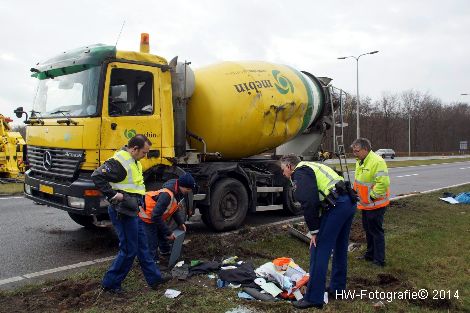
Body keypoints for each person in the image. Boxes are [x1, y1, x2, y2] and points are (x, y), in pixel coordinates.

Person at [91, 134, 170, 294]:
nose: (145, 156)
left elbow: (134, 187)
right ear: (134, 149)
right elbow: (97, 176)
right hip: (123, 212)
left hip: (132, 210)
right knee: (128, 250)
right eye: (144, 152)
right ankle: (111, 283)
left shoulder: (134, 161)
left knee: (143, 247)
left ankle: (154, 279)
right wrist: (112, 195)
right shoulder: (119, 162)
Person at [280, 154, 356, 309]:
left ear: (289, 166)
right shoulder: (311, 165)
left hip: (337, 206)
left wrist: (314, 231)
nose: (283, 174)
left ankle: (314, 298)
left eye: (283, 170)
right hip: (348, 201)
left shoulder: (299, 173)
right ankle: (338, 288)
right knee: (340, 247)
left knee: (318, 249)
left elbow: (309, 202)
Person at [139, 173, 196, 264]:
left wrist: (180, 223)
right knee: (152, 242)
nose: (188, 191)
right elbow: (155, 216)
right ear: (181, 186)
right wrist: (169, 232)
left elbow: (173, 209)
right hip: (146, 218)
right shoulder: (167, 195)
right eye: (188, 189)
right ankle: (153, 263)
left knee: (162, 235)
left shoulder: (176, 192)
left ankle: (165, 252)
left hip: (154, 216)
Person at [351, 138, 390, 267]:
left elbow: (383, 183)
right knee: (368, 230)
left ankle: (379, 260)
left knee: (376, 231)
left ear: (365, 149)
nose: (354, 153)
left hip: (376, 205)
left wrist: (372, 197)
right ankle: (370, 254)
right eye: (353, 151)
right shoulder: (360, 161)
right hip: (365, 204)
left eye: (356, 151)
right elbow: (359, 181)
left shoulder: (377, 161)